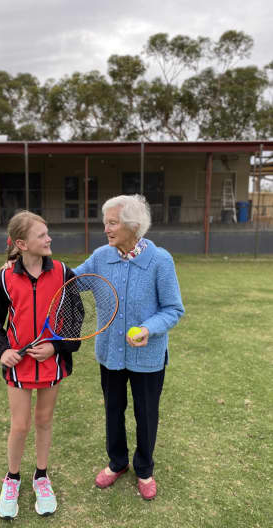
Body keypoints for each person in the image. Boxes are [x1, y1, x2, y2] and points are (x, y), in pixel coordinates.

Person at [73, 194, 184, 500]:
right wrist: (34, 264)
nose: (106, 229)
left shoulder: (160, 260)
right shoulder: (100, 257)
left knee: (146, 414)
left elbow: (173, 309)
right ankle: (117, 462)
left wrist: (149, 328)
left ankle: (145, 468)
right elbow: (70, 282)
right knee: (113, 410)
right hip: (110, 353)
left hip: (148, 356)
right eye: (105, 223)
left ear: (133, 226)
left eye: (112, 223)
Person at [0, 211, 80, 520]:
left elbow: (75, 320)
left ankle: (41, 476)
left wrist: (56, 346)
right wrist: (3, 350)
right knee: (21, 425)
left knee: (44, 420)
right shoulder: (5, 277)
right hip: (19, 365)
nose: (49, 238)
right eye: (42, 235)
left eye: (47, 232)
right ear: (22, 243)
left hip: (52, 364)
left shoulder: (64, 272)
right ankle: (12, 479)